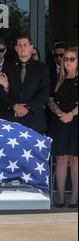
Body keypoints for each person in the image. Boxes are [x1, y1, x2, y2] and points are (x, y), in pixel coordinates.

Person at [0, 36, 50, 133]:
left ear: (31, 47)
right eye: (20, 45)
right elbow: (1, 91)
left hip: (34, 118)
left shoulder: (42, 68)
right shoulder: (7, 67)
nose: (22, 47)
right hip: (12, 117)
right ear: (16, 48)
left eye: (25, 45)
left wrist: (27, 108)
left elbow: (45, 92)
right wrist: (14, 105)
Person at [48, 47, 78, 208]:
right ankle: (59, 197)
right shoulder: (58, 79)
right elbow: (50, 99)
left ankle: (74, 198)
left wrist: (71, 114)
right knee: (60, 160)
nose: (67, 62)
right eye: (65, 59)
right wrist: (58, 111)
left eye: (72, 59)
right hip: (60, 122)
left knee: (75, 160)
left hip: (75, 122)